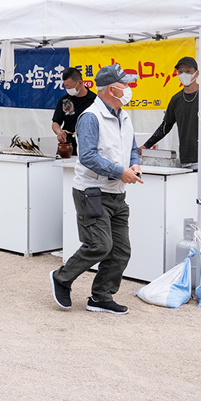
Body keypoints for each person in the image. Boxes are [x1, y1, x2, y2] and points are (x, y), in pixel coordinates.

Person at [51, 64, 142, 315]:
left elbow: (132, 147)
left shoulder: (124, 115)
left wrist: (133, 163)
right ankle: (61, 278)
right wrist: (119, 170)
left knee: (121, 250)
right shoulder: (91, 117)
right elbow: (88, 157)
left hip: (117, 192)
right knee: (99, 245)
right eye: (125, 85)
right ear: (112, 89)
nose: (129, 89)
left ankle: (101, 297)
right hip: (92, 191)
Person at [142, 56, 201, 165]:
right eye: (181, 72)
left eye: (188, 71)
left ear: (196, 73)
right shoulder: (176, 99)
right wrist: (146, 145)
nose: (184, 75)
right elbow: (165, 126)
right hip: (187, 157)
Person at [51, 67, 96, 156]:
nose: (67, 88)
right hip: (68, 146)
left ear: (80, 83)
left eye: (69, 86)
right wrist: (59, 132)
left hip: (88, 146)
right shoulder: (65, 100)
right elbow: (55, 122)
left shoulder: (94, 101)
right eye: (65, 86)